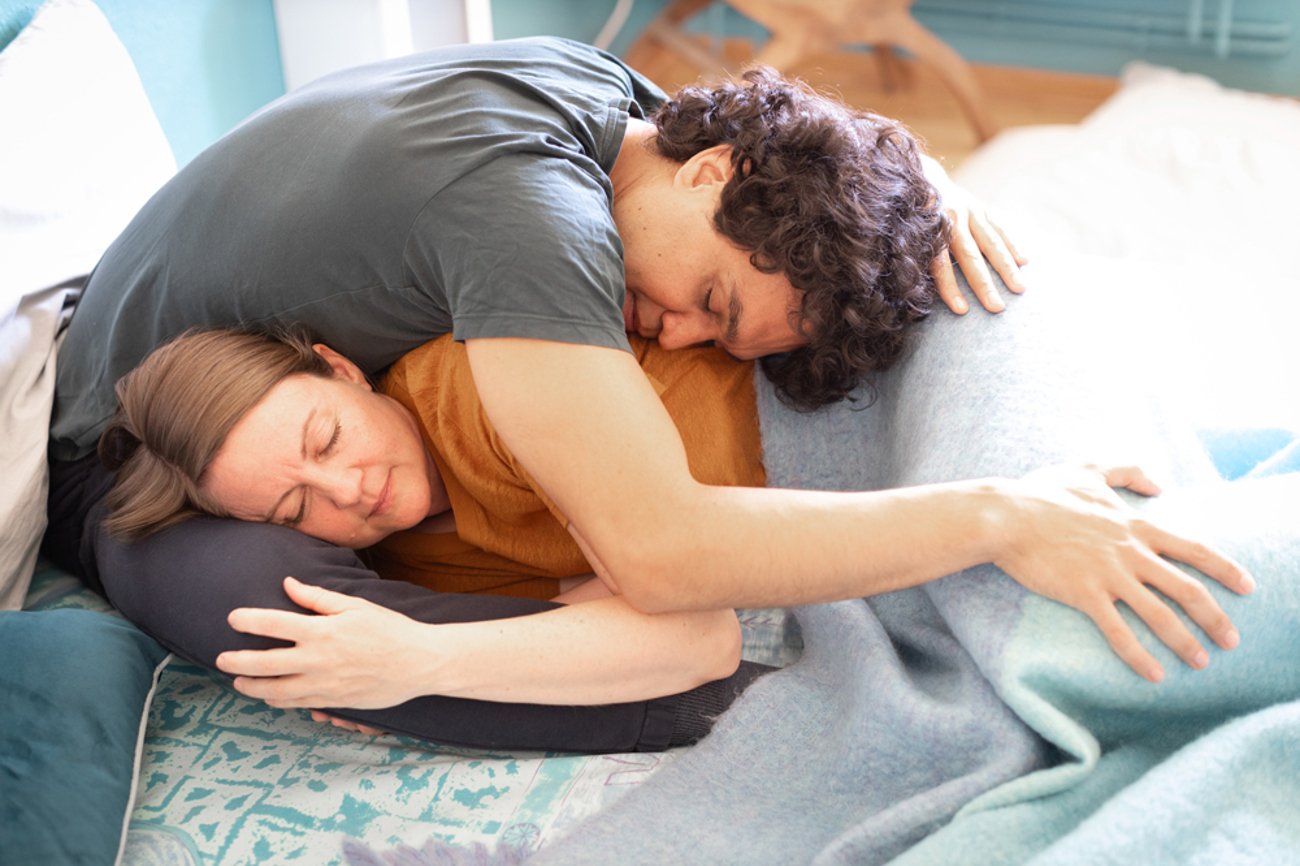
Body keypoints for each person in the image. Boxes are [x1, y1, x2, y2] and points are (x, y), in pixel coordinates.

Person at [45, 38, 1247, 751]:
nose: (674, 335)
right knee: (278, 622)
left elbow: (769, 128)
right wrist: (1004, 515)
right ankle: (614, 676)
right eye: (711, 306)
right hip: (112, 436)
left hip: (230, 323)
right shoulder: (534, 229)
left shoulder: (609, 107)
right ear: (711, 176)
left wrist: (912, 177)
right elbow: (665, 550)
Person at [98, 326, 771, 737]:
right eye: (294, 511)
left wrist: (412, 664)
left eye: (328, 440)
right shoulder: (405, 551)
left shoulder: (483, 393)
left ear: (342, 370)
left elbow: (699, 635)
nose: (348, 491)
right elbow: (603, 613)